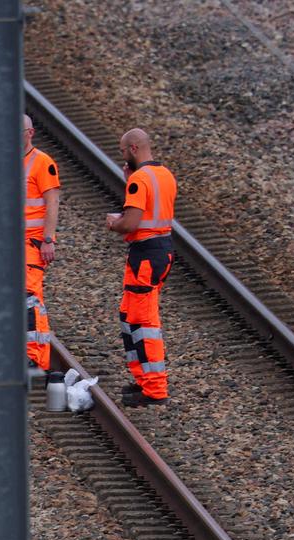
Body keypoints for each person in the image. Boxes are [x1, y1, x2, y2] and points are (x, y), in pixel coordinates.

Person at [106, 128, 175, 406]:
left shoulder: (139, 180)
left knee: (143, 321)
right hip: (161, 249)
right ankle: (144, 382)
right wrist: (129, 180)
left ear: (133, 149)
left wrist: (114, 223)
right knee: (131, 315)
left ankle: (155, 389)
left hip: (145, 254)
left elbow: (131, 222)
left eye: (123, 151)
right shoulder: (165, 175)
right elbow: (152, 209)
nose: (122, 156)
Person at [22, 115, 61, 371]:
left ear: (30, 133)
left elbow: (52, 203)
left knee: (30, 297)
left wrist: (48, 239)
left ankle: (34, 357)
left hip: (33, 243)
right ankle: (30, 354)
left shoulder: (42, 162)